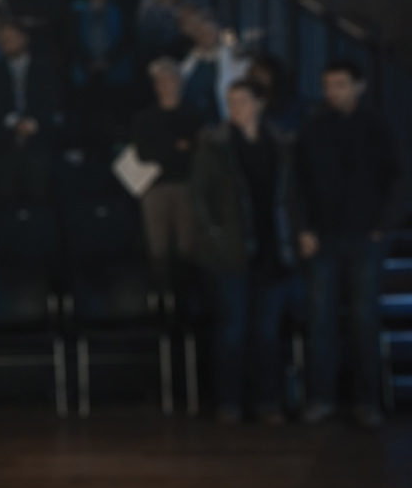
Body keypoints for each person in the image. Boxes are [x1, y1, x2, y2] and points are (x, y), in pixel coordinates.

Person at [296, 60, 402, 427]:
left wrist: (383, 225)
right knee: (321, 319)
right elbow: (299, 181)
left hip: (364, 234)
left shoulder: (377, 126)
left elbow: (399, 176)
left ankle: (367, 401)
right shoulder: (313, 128)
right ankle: (322, 398)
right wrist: (304, 228)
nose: (333, 92)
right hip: (325, 235)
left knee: (363, 319)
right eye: (328, 85)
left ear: (359, 86)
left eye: (340, 84)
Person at [190, 81, 301, 423]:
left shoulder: (281, 144)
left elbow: (293, 194)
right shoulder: (215, 145)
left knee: (266, 331)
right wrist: (217, 236)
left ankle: (266, 400)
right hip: (231, 253)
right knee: (232, 328)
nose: (236, 108)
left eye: (242, 101)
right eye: (230, 102)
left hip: (272, 247)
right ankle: (229, 401)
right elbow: (200, 196)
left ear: (259, 103)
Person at [0, 17, 61, 209]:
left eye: (10, 37)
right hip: (3, 143)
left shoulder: (43, 69)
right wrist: (13, 123)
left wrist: (32, 123)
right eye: (2, 39)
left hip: (38, 140)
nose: (5, 43)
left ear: (24, 39)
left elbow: (51, 102)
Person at [129, 58, 205, 285]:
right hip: (154, 187)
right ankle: (161, 299)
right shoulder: (144, 119)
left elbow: (198, 152)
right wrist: (175, 147)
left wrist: (167, 150)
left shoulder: (193, 116)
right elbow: (143, 153)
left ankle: (187, 297)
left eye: (170, 79)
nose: (166, 85)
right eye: (160, 81)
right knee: (158, 247)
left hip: (185, 185)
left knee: (188, 245)